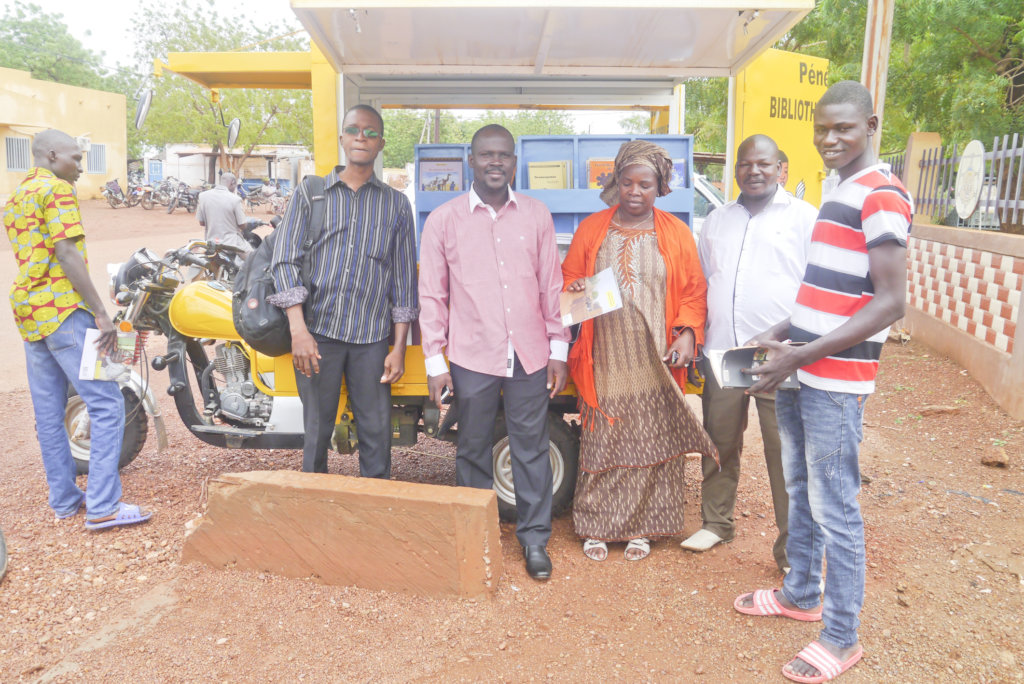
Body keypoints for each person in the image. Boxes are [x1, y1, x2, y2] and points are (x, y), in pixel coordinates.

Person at [734, 81, 912, 683]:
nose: (829, 139)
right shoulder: (841, 189)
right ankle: (801, 594)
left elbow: (889, 302)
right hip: (803, 366)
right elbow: (830, 290)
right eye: (822, 128)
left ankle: (841, 637)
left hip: (836, 379)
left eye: (843, 128)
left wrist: (800, 354)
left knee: (836, 507)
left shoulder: (881, 194)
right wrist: (783, 334)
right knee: (802, 488)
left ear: (871, 126)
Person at [418, 124, 569, 581]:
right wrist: (435, 363)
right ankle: (475, 538)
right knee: (472, 447)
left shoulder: (537, 215)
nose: (495, 162)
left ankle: (535, 540)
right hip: (471, 354)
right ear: (472, 160)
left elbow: (551, 286)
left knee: (531, 447)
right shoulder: (444, 220)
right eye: (487, 154)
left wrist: (558, 349)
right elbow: (433, 297)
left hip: (529, 353)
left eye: (503, 155)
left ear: (514, 162)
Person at [560, 140, 717, 563]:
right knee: (605, 437)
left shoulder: (676, 232)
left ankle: (643, 529)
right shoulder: (593, 228)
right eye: (627, 182)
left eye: (645, 184)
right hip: (606, 356)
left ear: (659, 187)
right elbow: (569, 282)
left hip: (656, 358)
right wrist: (575, 286)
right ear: (617, 181)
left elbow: (694, 291)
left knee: (652, 437)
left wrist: (687, 333)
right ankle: (597, 525)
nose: (634, 191)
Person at [681, 134, 817, 573]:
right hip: (725, 351)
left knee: (785, 452)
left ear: (781, 169)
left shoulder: (804, 218)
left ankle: (793, 551)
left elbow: (816, 289)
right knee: (719, 441)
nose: (754, 171)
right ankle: (716, 523)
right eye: (745, 163)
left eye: (763, 163)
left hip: (779, 354)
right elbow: (706, 281)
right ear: (735, 169)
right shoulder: (717, 220)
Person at [3, 129, 151, 530]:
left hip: (31, 313)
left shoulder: (17, 197)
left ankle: (65, 500)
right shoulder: (58, 190)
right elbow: (66, 253)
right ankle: (103, 505)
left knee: (49, 413)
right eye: (76, 158)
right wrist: (101, 314)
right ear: (52, 155)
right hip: (65, 310)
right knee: (106, 403)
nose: (81, 167)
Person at [269, 104, 418, 477]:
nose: (361, 137)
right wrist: (298, 331)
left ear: (381, 143)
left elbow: (403, 281)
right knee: (316, 432)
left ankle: (374, 503)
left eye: (370, 132)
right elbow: (284, 260)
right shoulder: (312, 193)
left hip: (371, 340)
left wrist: (398, 348)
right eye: (353, 130)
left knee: (376, 435)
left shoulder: (396, 205)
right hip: (318, 336)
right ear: (342, 138)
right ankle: (315, 502)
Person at [196, 172, 252, 254]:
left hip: (210, 243)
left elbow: (202, 222)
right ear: (232, 183)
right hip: (231, 243)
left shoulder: (203, 196)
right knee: (253, 256)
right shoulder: (235, 199)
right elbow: (242, 225)